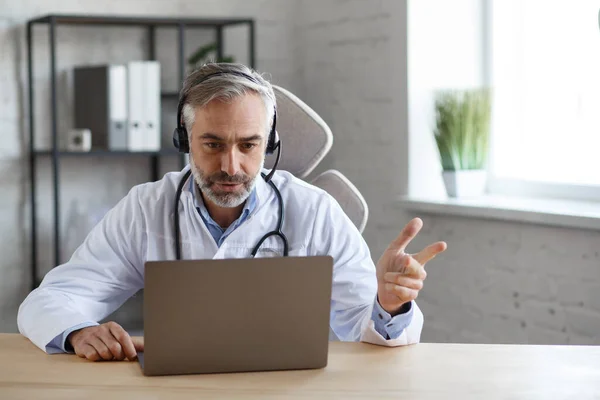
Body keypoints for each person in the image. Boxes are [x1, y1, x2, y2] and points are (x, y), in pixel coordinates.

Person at [17, 62, 447, 362]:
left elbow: (364, 331)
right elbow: (49, 301)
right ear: (184, 140)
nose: (231, 166)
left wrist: (388, 306)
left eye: (249, 145)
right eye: (213, 144)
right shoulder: (146, 209)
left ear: (269, 144)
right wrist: (77, 331)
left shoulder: (313, 211)